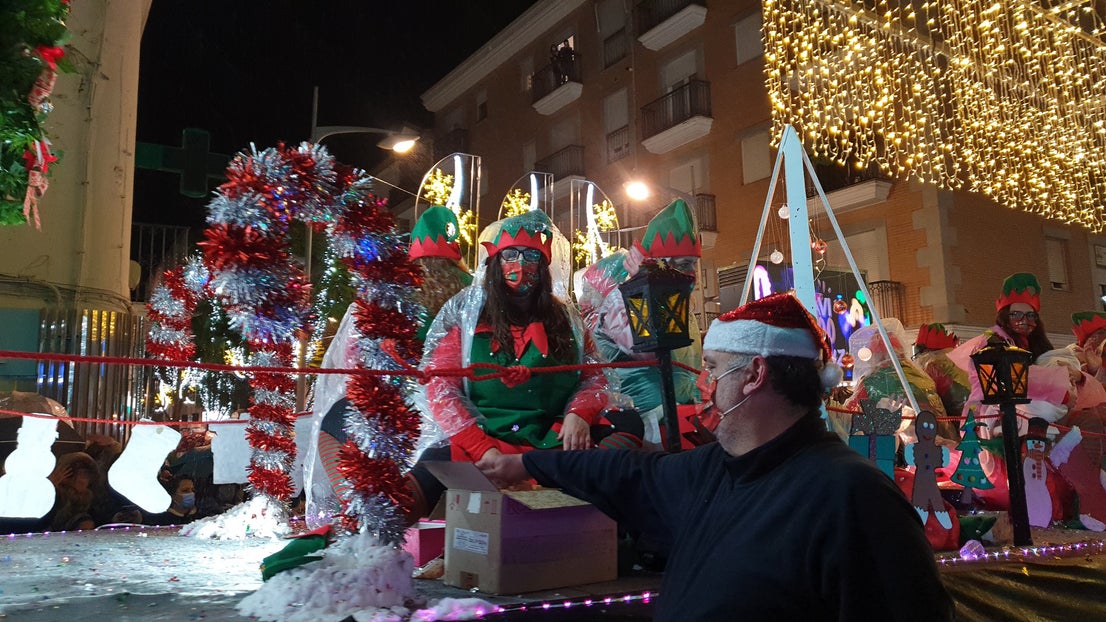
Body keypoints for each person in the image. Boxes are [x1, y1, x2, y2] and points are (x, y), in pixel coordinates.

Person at [478, 293, 954, 621]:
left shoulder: (853, 497)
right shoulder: (709, 470)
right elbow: (619, 471)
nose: (702, 386)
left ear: (755, 374)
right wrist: (524, 464)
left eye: (710, 369)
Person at [407, 209, 636, 521]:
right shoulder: (470, 322)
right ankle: (371, 541)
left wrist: (578, 416)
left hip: (550, 441)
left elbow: (595, 378)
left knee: (628, 423)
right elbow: (440, 388)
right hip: (486, 440)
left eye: (531, 256)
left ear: (543, 267)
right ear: (494, 264)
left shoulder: (566, 322)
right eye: (510, 254)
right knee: (430, 465)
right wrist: (483, 450)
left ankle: (606, 519)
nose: (521, 264)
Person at [577, 198, 702, 449]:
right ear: (660, 265)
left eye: (694, 264)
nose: (692, 274)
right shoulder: (621, 303)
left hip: (681, 412)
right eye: (684, 265)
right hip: (645, 425)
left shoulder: (678, 303)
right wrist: (648, 284)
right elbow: (647, 345)